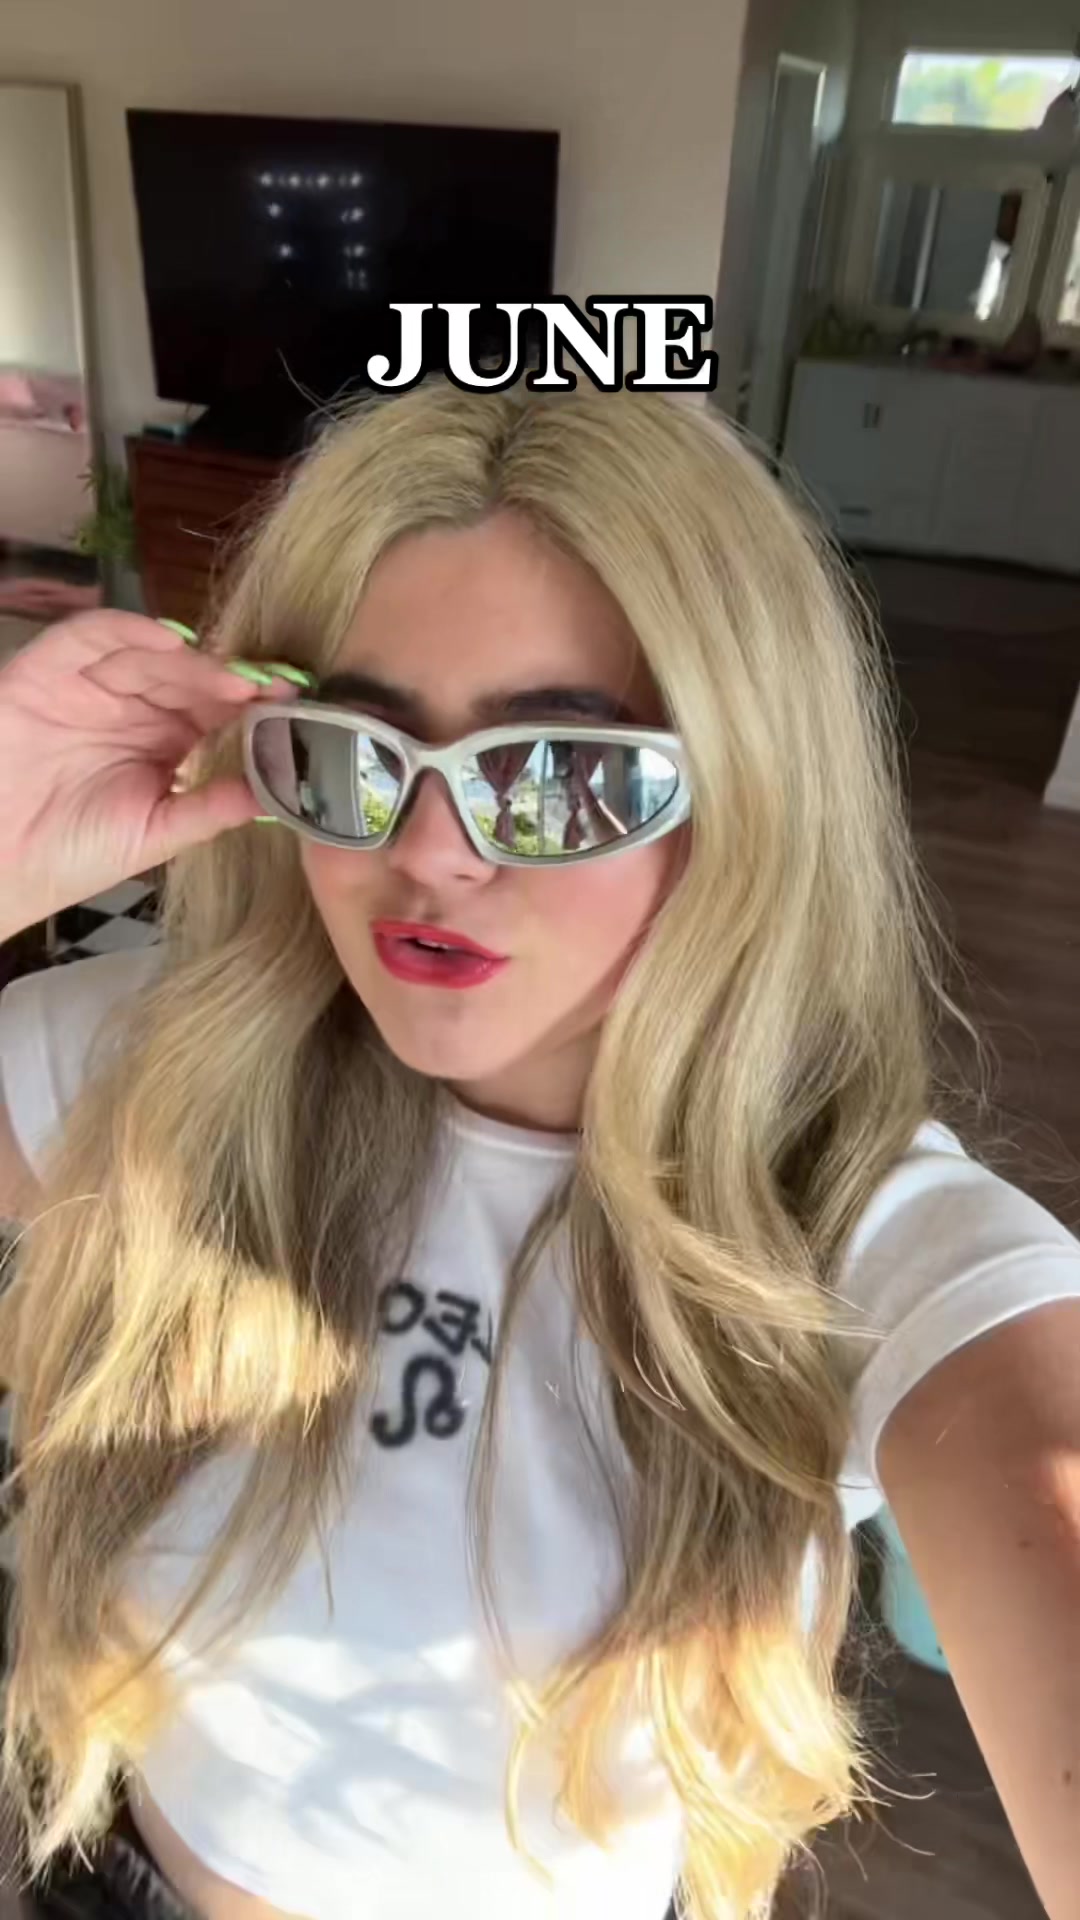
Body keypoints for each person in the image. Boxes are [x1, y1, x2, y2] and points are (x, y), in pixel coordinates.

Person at [0, 381, 1076, 1920]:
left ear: (749, 799)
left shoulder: (865, 1242)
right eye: (357, 753)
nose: (428, 853)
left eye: (564, 777)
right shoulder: (152, 1068)